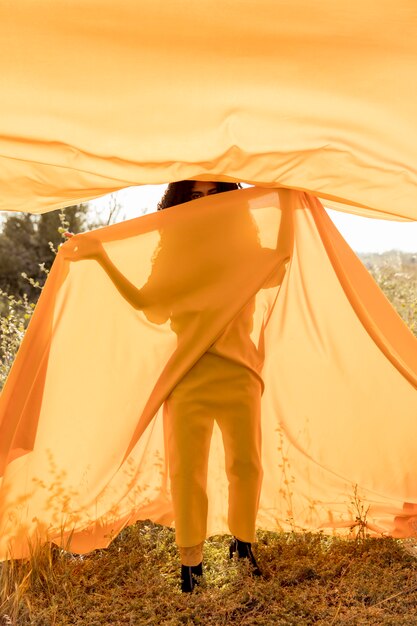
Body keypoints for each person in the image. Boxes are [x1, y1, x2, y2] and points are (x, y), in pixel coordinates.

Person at [66, 180, 268, 592]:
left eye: (216, 193)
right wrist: (101, 257)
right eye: (195, 196)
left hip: (240, 375)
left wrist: (288, 193)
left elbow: (282, 259)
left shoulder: (248, 252)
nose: (205, 203)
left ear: (232, 198)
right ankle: (190, 564)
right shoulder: (175, 254)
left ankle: (243, 545)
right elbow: (150, 308)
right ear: (181, 202)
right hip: (188, 377)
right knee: (187, 473)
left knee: (246, 466)